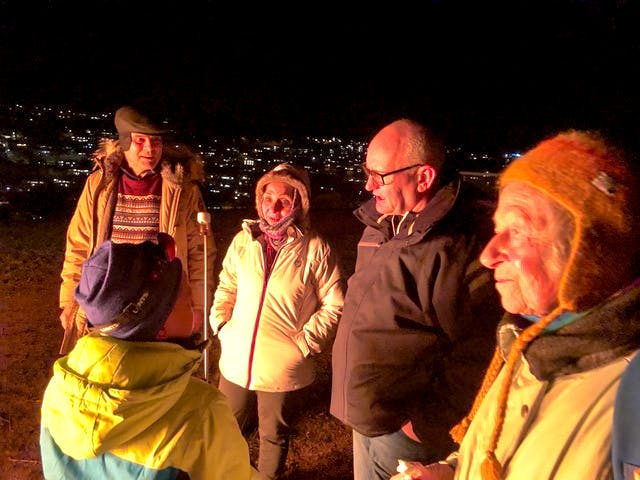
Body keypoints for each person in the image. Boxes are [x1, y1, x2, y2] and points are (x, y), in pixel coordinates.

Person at [389, 130, 640, 480]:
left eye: (518, 230)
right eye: (498, 230)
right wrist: (451, 471)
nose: (489, 255)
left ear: (590, 249)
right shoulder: (526, 341)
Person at [330, 118, 501, 480]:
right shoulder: (381, 224)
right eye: (366, 172)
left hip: (404, 434)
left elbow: (477, 354)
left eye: (379, 176)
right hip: (367, 417)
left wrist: (422, 426)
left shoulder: (457, 247)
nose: (367, 185)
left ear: (423, 178)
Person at [41, 238, 262, 479]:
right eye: (188, 300)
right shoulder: (203, 412)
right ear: (161, 327)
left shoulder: (60, 390)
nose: (196, 311)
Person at [210, 163, 345, 479]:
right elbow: (227, 283)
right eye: (268, 198)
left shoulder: (315, 249)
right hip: (236, 354)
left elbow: (335, 303)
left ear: (299, 203)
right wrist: (221, 324)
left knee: (272, 433)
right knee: (227, 425)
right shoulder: (244, 241)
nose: (274, 207)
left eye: (284, 200)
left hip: (282, 362)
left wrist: (304, 343)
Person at [58, 105, 215, 353]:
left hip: (159, 304)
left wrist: (197, 307)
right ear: (124, 142)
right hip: (108, 302)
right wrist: (69, 300)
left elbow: (199, 253)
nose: (149, 149)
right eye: (140, 140)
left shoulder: (182, 190)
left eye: (156, 141)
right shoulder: (99, 185)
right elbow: (79, 244)